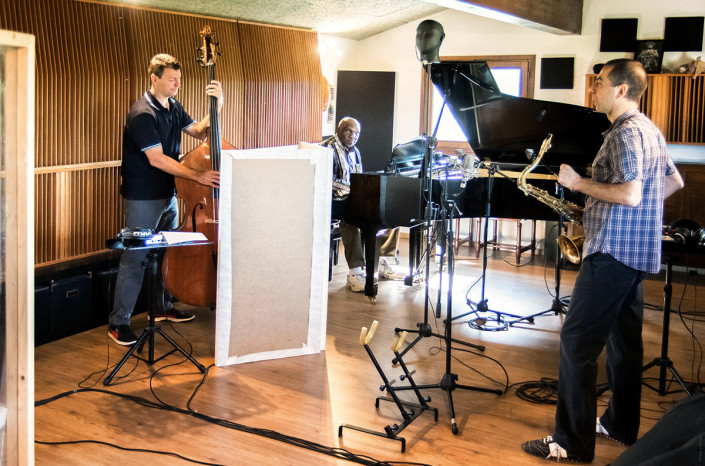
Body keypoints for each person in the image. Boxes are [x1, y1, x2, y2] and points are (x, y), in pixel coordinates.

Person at [522, 59, 684, 462]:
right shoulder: (650, 129)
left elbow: (629, 194)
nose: (594, 89)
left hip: (611, 251)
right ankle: (619, 424)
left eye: (600, 83)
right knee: (623, 344)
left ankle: (571, 443)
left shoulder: (625, 133)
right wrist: (639, 216)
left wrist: (578, 184)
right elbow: (672, 182)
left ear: (621, 90)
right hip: (637, 251)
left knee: (577, 342)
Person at [108, 53, 222, 345]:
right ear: (154, 79)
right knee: (135, 259)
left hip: (169, 194)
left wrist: (218, 104)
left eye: (179, 80)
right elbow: (157, 159)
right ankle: (118, 322)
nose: (177, 85)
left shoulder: (173, 106)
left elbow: (198, 131)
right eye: (172, 80)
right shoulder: (142, 113)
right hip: (143, 198)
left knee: (167, 254)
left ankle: (161, 308)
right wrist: (195, 176)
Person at [323, 117, 400, 292]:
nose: (353, 135)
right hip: (332, 199)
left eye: (357, 133)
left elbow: (359, 175)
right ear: (340, 129)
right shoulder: (328, 148)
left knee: (384, 209)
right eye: (349, 131)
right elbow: (325, 178)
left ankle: (380, 261)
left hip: (351, 197)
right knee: (350, 221)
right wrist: (351, 187)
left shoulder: (355, 151)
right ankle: (355, 272)